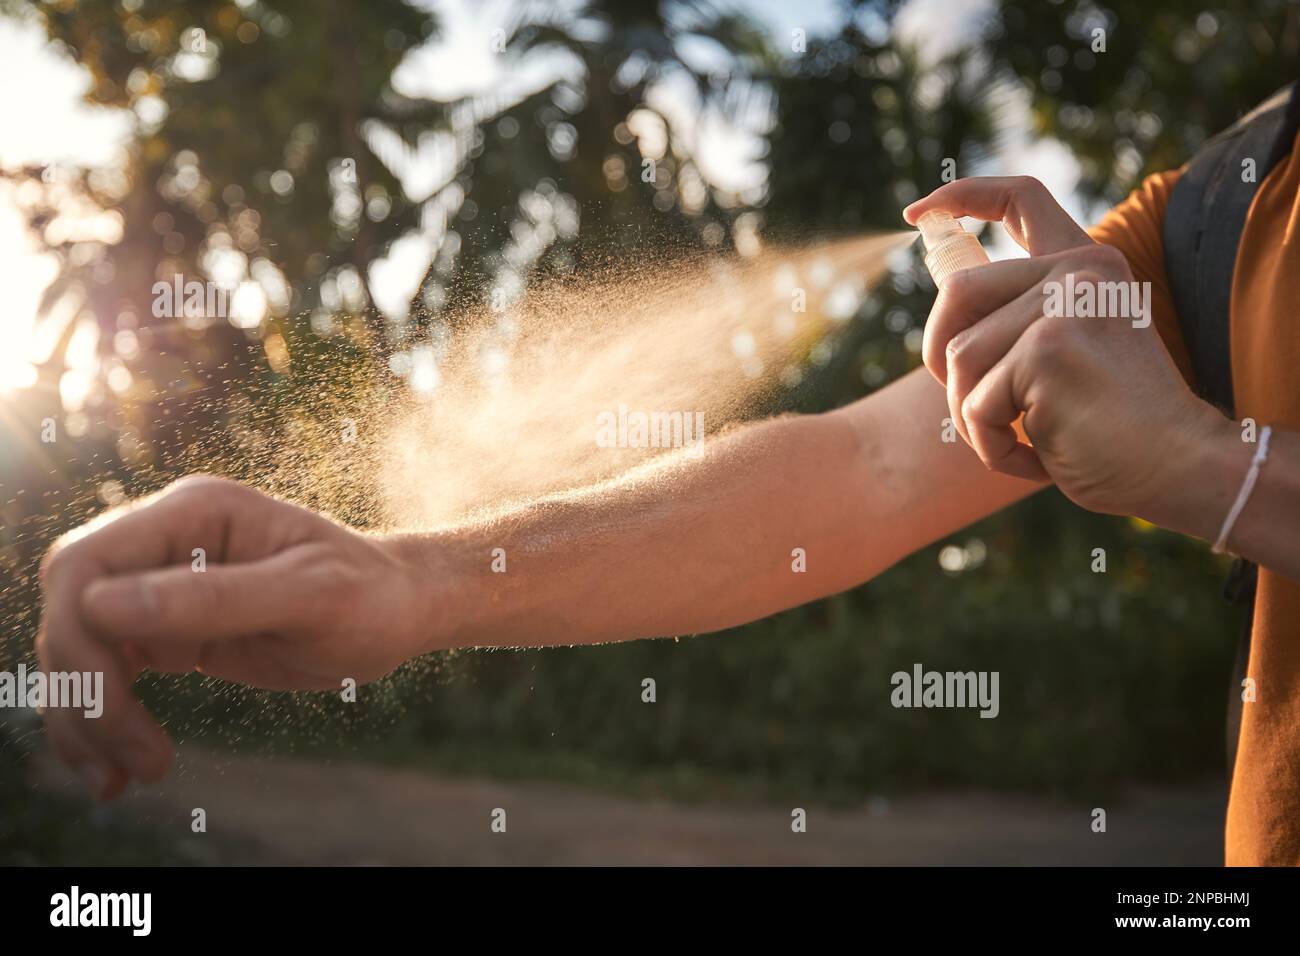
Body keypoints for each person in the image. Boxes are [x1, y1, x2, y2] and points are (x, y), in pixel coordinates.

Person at [35, 156, 1300, 865]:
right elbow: (858, 470)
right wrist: (408, 579)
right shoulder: (1219, 210)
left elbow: (1194, 459)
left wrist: (1219, 469)